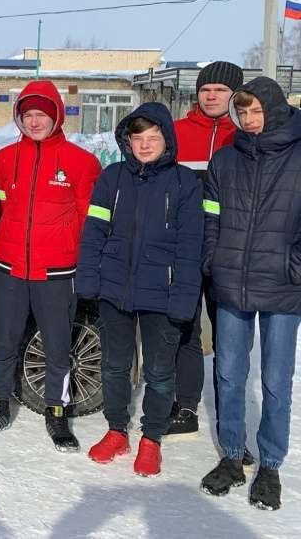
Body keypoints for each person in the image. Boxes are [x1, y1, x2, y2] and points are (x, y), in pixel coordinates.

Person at [0, 80, 101, 451]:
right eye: (27, 115)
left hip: (58, 272)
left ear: (57, 116)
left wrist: (77, 258)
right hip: (10, 269)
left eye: (41, 114)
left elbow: (89, 222)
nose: (34, 122)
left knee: (58, 346)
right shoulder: (4, 160)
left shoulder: (82, 163)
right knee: (6, 343)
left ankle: (57, 412)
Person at [77, 103, 203, 477]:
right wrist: (88, 278)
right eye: (138, 138)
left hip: (162, 296)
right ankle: (117, 430)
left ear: (167, 139)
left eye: (153, 137)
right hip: (115, 290)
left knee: (160, 372)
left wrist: (183, 299)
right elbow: (94, 233)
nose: (145, 145)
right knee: (115, 366)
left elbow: (190, 247)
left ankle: (151, 438)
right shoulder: (111, 179)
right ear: (126, 141)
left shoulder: (184, 184)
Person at [200, 78, 301, 511]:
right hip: (231, 283)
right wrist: (213, 260)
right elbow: (211, 217)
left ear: (274, 110)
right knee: (229, 374)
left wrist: (294, 267)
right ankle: (232, 454)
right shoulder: (226, 159)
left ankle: (271, 463)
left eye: (256, 111)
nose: (248, 119)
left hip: (283, 286)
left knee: (276, 381)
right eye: (242, 113)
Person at [169, 61, 244, 439]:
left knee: (228, 339)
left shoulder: (243, 136)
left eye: (220, 90)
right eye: (205, 89)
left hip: (228, 254)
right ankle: (185, 407)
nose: (211, 95)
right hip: (182, 251)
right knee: (184, 330)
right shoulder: (177, 132)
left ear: (235, 95)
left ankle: (231, 425)